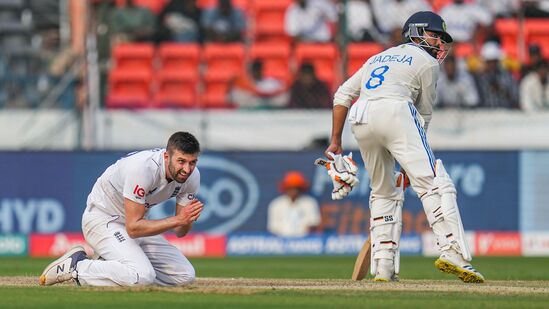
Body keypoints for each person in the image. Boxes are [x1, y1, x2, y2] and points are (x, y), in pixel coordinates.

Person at [324, 11, 485, 283]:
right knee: (434, 182)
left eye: (441, 38)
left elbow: (342, 95)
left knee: (383, 190)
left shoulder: (376, 57)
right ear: (416, 32)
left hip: (360, 116)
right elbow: (423, 116)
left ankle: (384, 267)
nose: (439, 43)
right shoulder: (428, 63)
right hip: (397, 109)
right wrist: (412, 167)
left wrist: (336, 141)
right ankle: (452, 251)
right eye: (434, 35)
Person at [39, 132, 204, 286]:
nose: (187, 169)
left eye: (192, 162)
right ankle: (77, 267)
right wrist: (178, 219)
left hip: (137, 225)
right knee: (142, 275)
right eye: (181, 161)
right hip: (102, 219)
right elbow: (133, 228)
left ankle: (110, 266)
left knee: (185, 276)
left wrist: (188, 218)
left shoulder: (192, 176)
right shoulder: (143, 169)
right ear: (167, 156)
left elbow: (180, 231)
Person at [267, 171, 321, 237]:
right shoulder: (276, 204)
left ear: (301, 188)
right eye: (290, 187)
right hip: (281, 241)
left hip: (305, 242)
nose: (293, 191)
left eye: (296, 188)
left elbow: (313, 223)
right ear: (285, 188)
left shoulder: (309, 203)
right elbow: (273, 228)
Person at [475, 41, 519, 109]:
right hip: (485, 114)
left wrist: (501, 89)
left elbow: (515, 98)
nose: (492, 64)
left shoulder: (506, 75)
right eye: (489, 62)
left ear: (498, 61)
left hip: (506, 113)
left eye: (494, 61)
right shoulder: (479, 78)